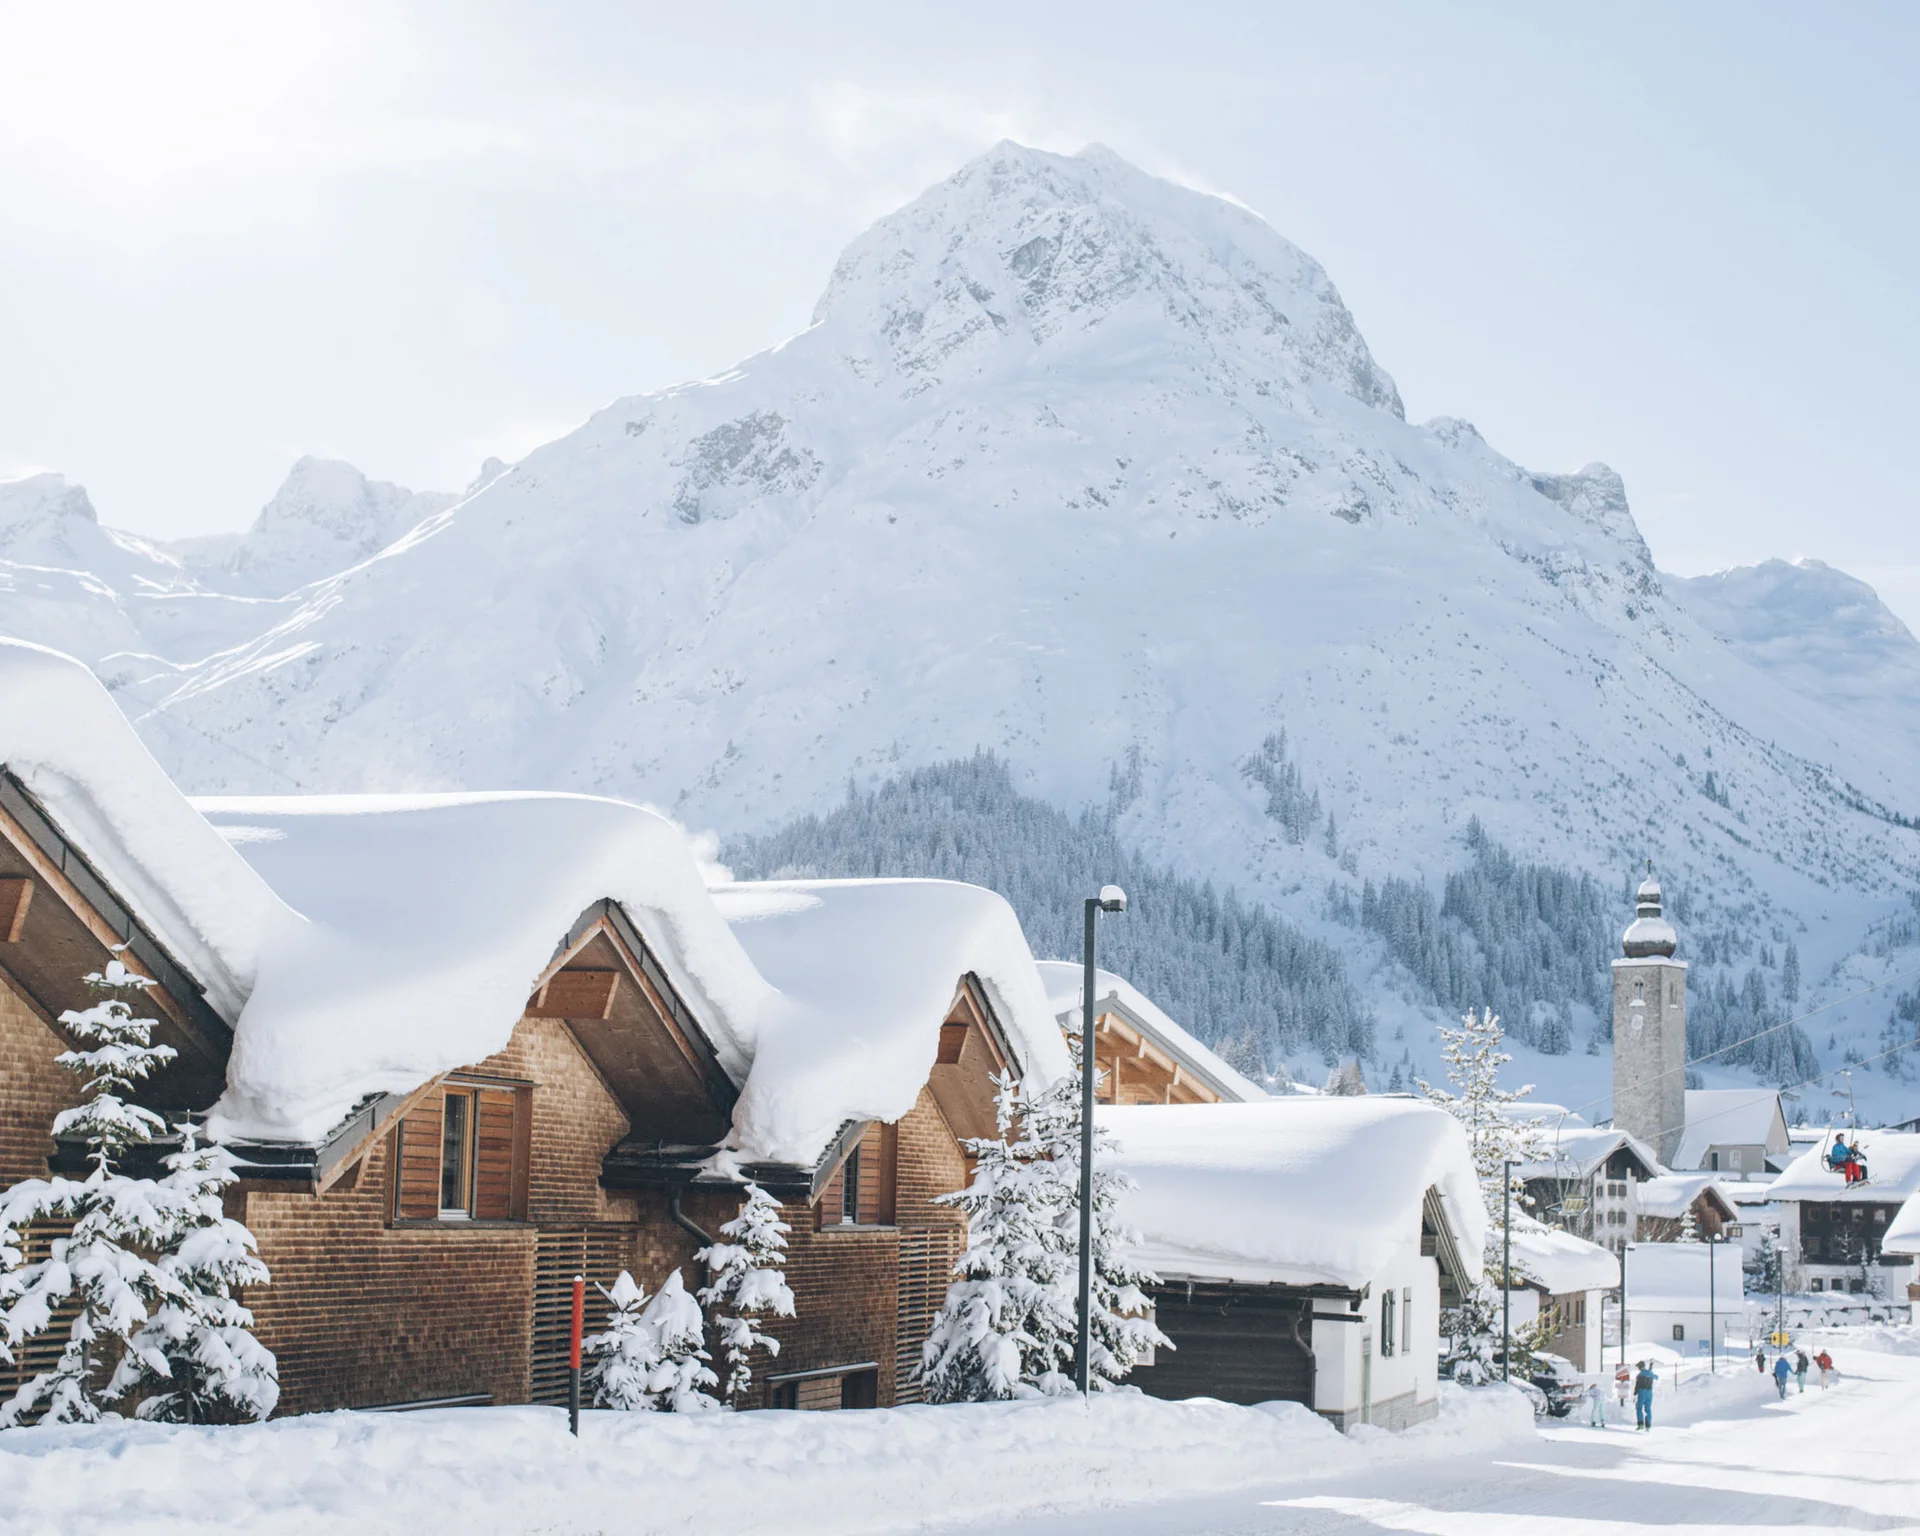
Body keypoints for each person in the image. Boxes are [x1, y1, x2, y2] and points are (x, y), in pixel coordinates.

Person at [1634, 1360, 1657, 1430]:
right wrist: (1650, 1374)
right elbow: (1656, 1377)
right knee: (1648, 1409)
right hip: (1649, 1393)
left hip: (1642, 1392)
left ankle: (1640, 1424)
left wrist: (1635, 1393)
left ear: (1640, 1367)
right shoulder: (1650, 1373)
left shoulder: (1639, 1375)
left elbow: (1637, 1386)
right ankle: (1648, 1426)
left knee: (1639, 1408)